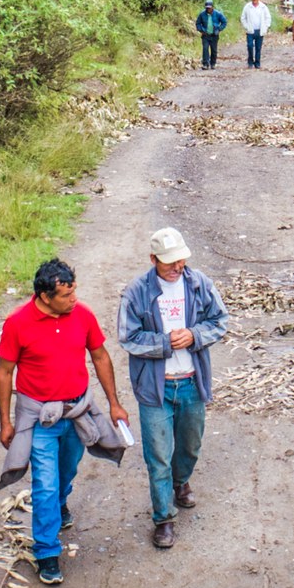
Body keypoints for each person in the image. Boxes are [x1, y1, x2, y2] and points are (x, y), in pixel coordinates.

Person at [0, 258, 131, 585]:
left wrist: (114, 404)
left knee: (67, 470)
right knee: (44, 482)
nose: (73, 300)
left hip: (78, 412)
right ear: (44, 296)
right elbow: (4, 372)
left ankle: (61, 503)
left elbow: (100, 356)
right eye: (65, 295)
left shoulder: (82, 315)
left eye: (74, 292)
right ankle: (46, 551)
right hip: (40, 418)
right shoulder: (18, 323)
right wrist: (5, 422)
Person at [117, 227, 231, 550]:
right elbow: (128, 337)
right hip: (155, 388)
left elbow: (220, 320)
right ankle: (163, 518)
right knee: (157, 456)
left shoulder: (198, 283)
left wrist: (195, 335)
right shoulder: (136, 292)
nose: (177, 266)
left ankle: (181, 482)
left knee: (190, 445)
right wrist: (165, 343)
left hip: (192, 381)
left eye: (180, 259)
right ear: (153, 259)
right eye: (169, 262)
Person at [240, 0, 273, 69]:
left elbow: (268, 18)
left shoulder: (263, 7)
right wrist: (246, 26)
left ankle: (257, 63)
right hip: (250, 30)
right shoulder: (247, 7)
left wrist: (266, 27)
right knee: (250, 46)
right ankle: (250, 62)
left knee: (258, 48)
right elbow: (243, 18)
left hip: (260, 30)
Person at [195, 0, 228, 69]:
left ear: (212, 7)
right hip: (205, 35)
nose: (208, 9)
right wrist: (201, 30)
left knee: (214, 50)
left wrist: (219, 29)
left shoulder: (218, 14)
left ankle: (213, 63)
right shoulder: (202, 14)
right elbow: (197, 23)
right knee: (205, 49)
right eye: (207, 8)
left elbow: (224, 22)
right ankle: (205, 64)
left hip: (214, 35)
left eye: (209, 8)